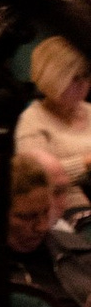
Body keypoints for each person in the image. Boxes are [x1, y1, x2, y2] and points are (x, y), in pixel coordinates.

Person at [17, 37, 91, 205]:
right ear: (52, 78)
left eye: (86, 76)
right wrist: (85, 163)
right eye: (75, 78)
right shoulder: (32, 121)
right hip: (67, 212)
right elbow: (34, 180)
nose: (83, 85)